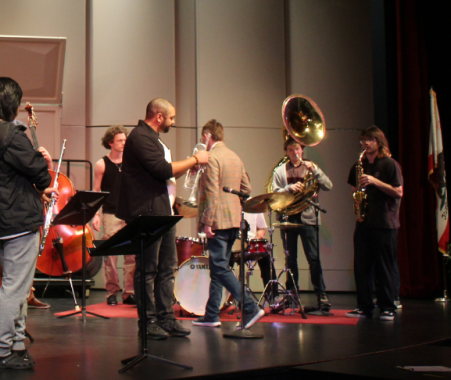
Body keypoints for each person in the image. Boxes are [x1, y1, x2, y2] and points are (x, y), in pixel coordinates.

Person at [0, 77, 55, 370]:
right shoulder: (14, 137)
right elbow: (42, 178)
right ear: (12, 105)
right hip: (19, 220)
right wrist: (42, 159)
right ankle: (3, 351)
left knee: (16, 285)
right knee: (14, 289)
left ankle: (17, 344)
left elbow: (4, 176)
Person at [116, 98, 209, 339]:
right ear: (159, 117)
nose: (173, 122)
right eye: (171, 118)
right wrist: (196, 159)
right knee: (147, 270)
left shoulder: (153, 139)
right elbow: (162, 170)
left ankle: (166, 318)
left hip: (163, 212)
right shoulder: (140, 137)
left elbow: (162, 175)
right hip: (147, 213)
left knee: (167, 268)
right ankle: (147, 323)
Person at [192, 120, 264, 329]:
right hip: (234, 221)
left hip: (218, 222)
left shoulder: (212, 157)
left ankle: (249, 307)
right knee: (218, 268)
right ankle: (212, 314)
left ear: (207, 136)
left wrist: (207, 222)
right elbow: (247, 188)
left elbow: (213, 193)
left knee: (220, 268)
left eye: (202, 139)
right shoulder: (235, 156)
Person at [271, 136, 334, 311]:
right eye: (291, 150)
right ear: (286, 152)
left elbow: (328, 185)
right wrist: (289, 189)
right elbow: (275, 195)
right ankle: (292, 294)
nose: (295, 153)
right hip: (288, 218)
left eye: (297, 149)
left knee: (314, 259)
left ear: (302, 150)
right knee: (291, 259)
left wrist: (315, 170)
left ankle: (321, 295)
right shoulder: (280, 171)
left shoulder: (310, 167)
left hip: (308, 219)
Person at [346, 126, 402, 321]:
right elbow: (354, 191)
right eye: (363, 140)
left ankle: (388, 307)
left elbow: (398, 192)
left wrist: (374, 181)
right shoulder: (358, 165)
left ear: (379, 142)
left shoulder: (389, 164)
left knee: (384, 267)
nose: (366, 143)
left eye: (370, 140)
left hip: (385, 222)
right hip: (364, 221)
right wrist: (359, 193)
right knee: (361, 266)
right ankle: (364, 306)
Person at [92, 125, 136, 306]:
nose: (124, 143)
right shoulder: (102, 164)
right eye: (120, 140)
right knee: (110, 256)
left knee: (131, 255)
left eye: (125, 140)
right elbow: (96, 191)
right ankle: (111, 292)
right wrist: (96, 214)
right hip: (111, 213)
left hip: (130, 213)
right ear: (110, 142)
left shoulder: (132, 162)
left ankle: (129, 292)